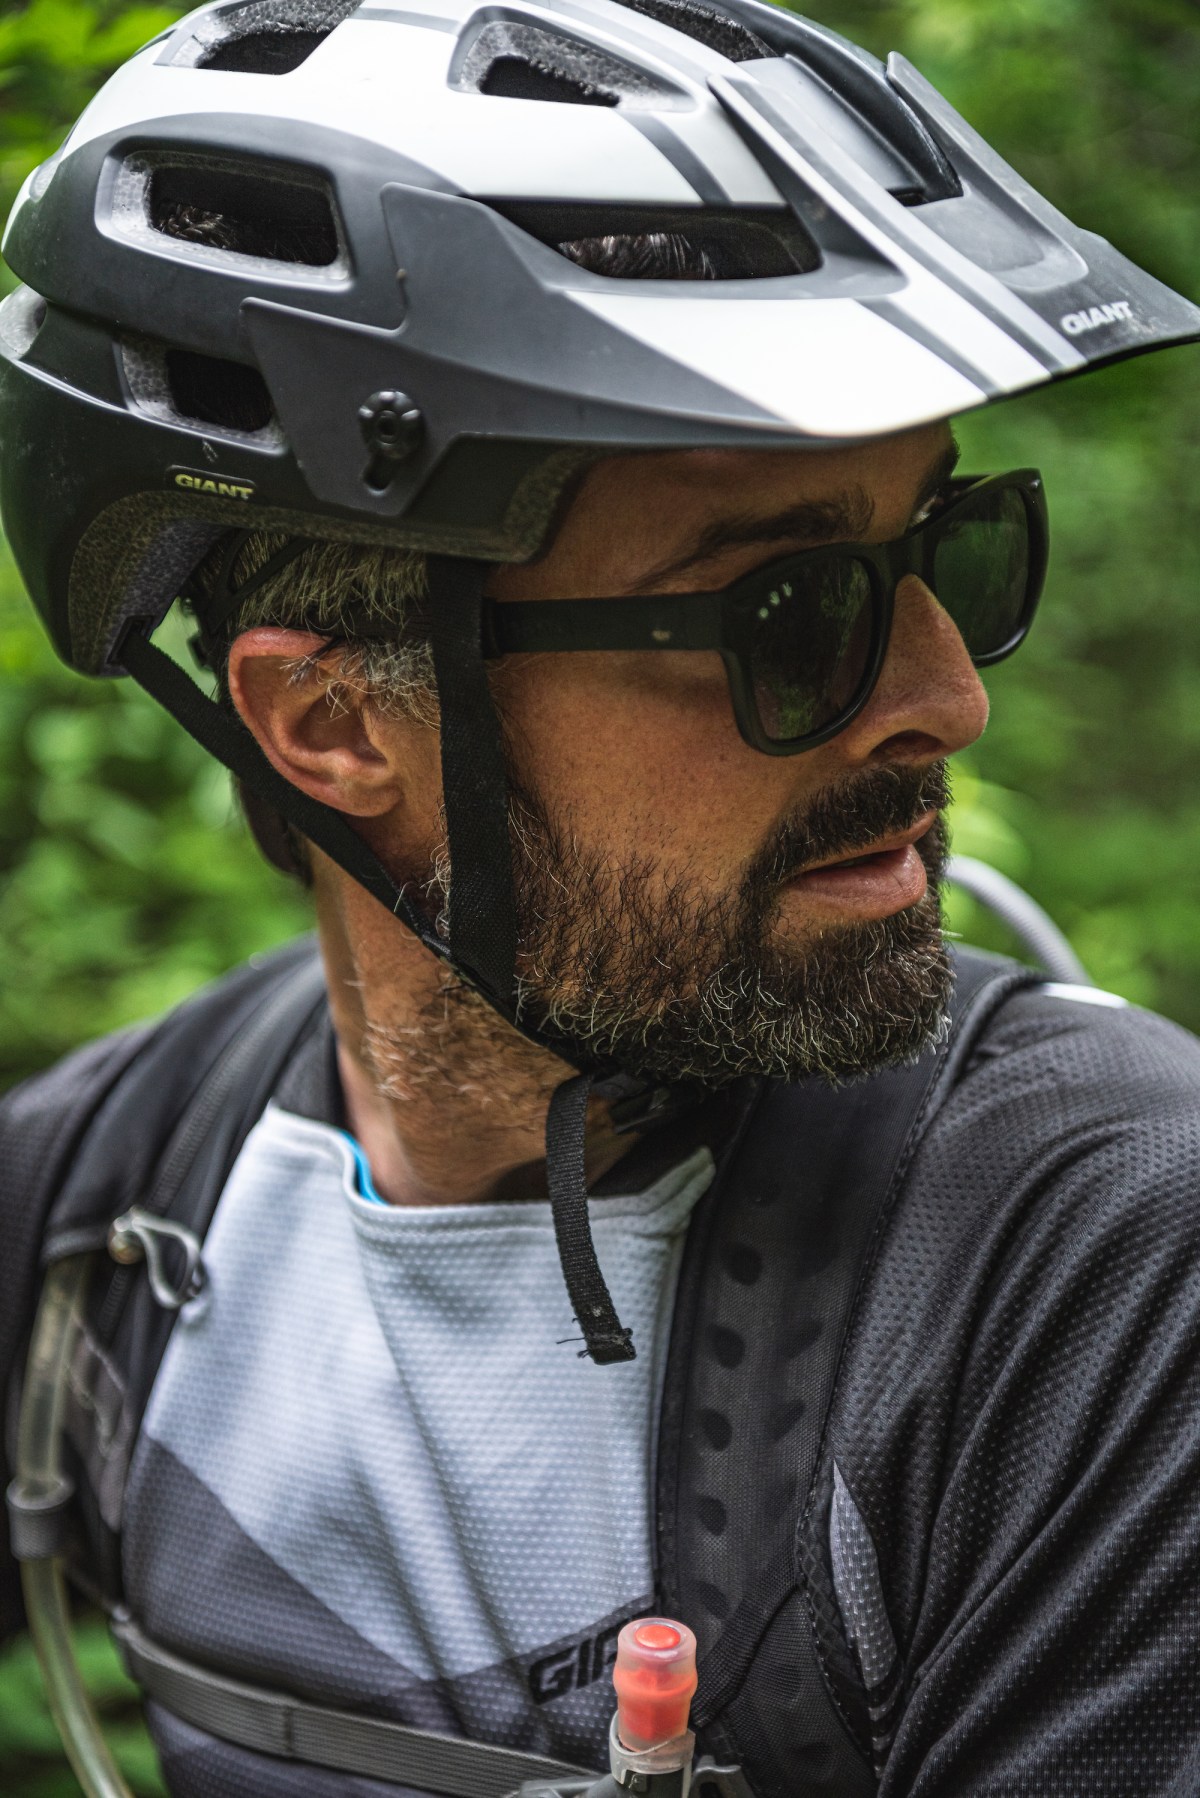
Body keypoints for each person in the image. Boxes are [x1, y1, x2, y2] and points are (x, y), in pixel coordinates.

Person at [2, 0, 1199, 1793]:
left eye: (949, 546)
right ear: (333, 722)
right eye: (789, 609)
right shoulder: (106, 1208)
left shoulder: (1095, 1263)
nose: (949, 698)